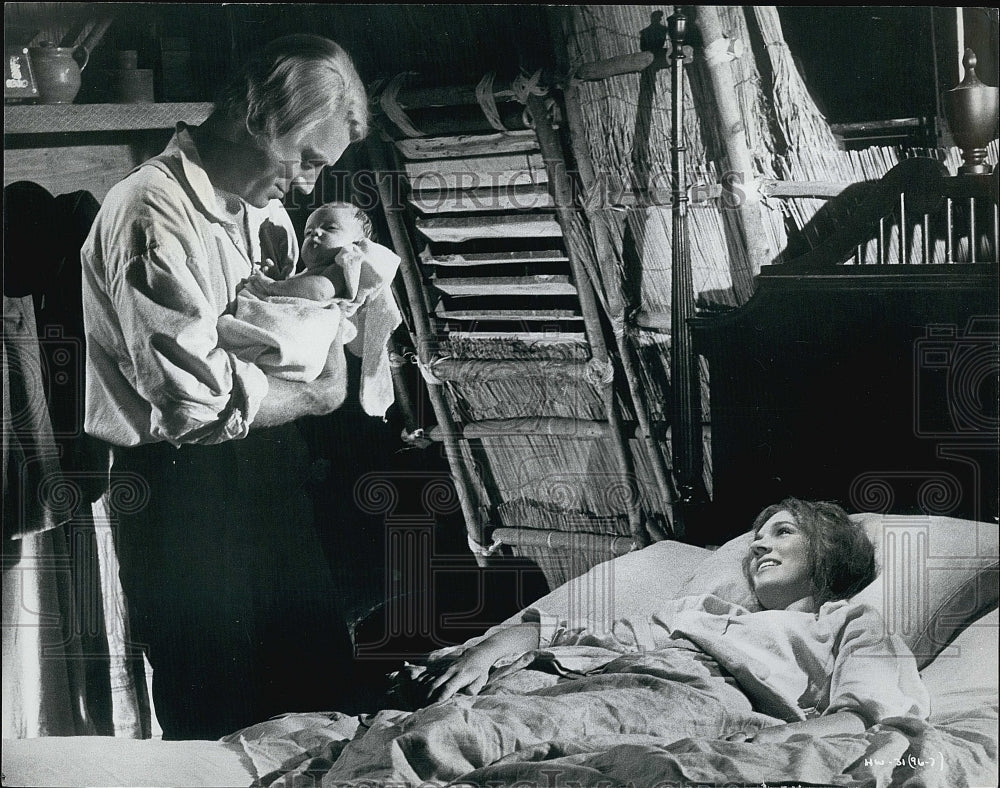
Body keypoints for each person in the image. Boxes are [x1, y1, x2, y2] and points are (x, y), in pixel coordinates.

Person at [81, 34, 370, 739]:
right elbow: (193, 402)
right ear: (255, 116)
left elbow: (299, 335)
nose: (308, 183)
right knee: (219, 725)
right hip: (181, 499)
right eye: (306, 158)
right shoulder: (150, 212)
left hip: (271, 476)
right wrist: (317, 392)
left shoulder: (264, 214)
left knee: (322, 709)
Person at [415, 498, 927, 743]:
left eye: (782, 532)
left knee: (482, 736)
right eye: (757, 538)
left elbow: (866, 714)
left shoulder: (848, 621)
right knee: (452, 713)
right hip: (621, 677)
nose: (759, 545)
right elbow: (584, 635)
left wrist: (767, 742)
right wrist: (493, 646)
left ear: (828, 554)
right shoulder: (700, 612)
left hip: (707, 697)